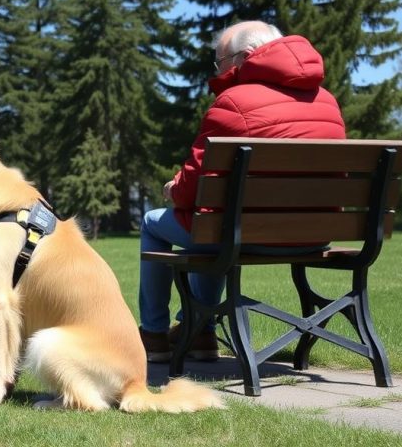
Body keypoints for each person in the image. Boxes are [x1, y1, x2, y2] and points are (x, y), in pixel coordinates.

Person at [137, 21, 346, 362]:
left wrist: (174, 188)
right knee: (217, 223)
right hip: (315, 236)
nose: (218, 72)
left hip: (243, 233)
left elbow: (192, 190)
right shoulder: (327, 102)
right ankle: (199, 332)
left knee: (155, 221)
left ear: (246, 56)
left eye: (220, 63)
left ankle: (156, 336)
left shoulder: (234, 101)